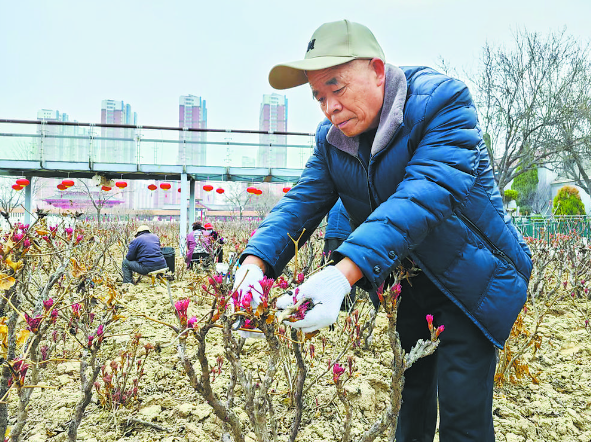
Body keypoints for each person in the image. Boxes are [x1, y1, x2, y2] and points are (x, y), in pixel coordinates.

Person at [233, 20, 533, 442]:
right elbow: (300, 202)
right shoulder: (331, 140)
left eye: (337, 88)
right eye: (319, 96)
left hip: (474, 281)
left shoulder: (442, 104)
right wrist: (253, 265)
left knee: (463, 413)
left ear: (377, 70)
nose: (329, 107)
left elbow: (422, 197)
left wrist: (343, 273)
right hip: (410, 283)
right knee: (408, 401)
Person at [322, 199, 356, 311]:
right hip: (346, 236)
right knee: (348, 269)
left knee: (329, 268)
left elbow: (328, 218)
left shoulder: (334, 200)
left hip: (331, 235)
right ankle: (346, 304)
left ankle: (327, 301)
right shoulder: (352, 199)